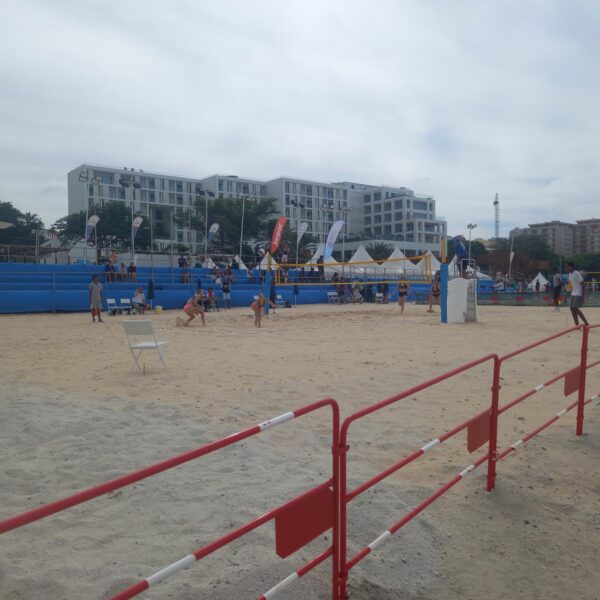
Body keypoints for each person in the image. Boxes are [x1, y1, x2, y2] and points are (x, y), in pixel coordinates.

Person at [566, 261, 588, 326]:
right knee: (571, 308)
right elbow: (572, 283)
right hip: (573, 292)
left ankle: (586, 323)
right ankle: (577, 325)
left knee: (575, 308)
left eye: (567, 266)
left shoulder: (577, 273)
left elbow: (583, 285)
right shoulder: (570, 274)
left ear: (571, 267)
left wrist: (582, 296)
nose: (566, 268)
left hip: (578, 293)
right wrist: (568, 288)